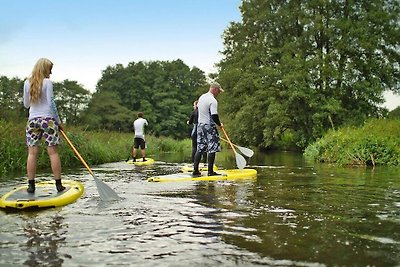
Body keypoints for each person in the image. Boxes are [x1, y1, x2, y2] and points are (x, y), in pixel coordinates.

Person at [23, 58, 65, 193]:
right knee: (53, 153)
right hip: (48, 120)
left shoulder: (26, 83)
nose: (51, 73)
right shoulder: (48, 83)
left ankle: (31, 186)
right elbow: (51, 103)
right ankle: (58, 185)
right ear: (45, 69)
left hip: (32, 120)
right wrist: (58, 122)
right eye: (50, 70)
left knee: (32, 153)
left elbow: (26, 104)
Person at [193, 82, 224, 176]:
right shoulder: (212, 100)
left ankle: (196, 170)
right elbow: (214, 115)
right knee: (212, 147)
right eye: (219, 91)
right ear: (215, 89)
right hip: (209, 126)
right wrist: (219, 124)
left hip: (200, 126)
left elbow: (197, 110)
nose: (219, 93)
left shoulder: (202, 97)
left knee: (200, 148)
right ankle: (210, 172)